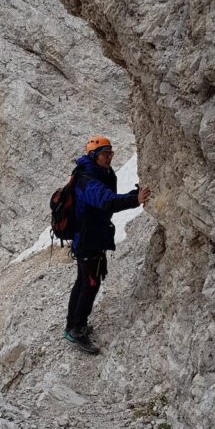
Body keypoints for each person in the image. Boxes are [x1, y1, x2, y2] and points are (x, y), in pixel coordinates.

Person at [64, 136, 151, 355]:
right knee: (90, 283)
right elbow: (106, 201)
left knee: (84, 280)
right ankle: (78, 329)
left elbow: (109, 199)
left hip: (91, 236)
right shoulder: (87, 180)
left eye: (111, 153)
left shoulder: (98, 173)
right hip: (87, 239)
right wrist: (135, 199)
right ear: (94, 156)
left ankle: (72, 325)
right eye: (105, 153)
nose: (110, 157)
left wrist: (134, 196)